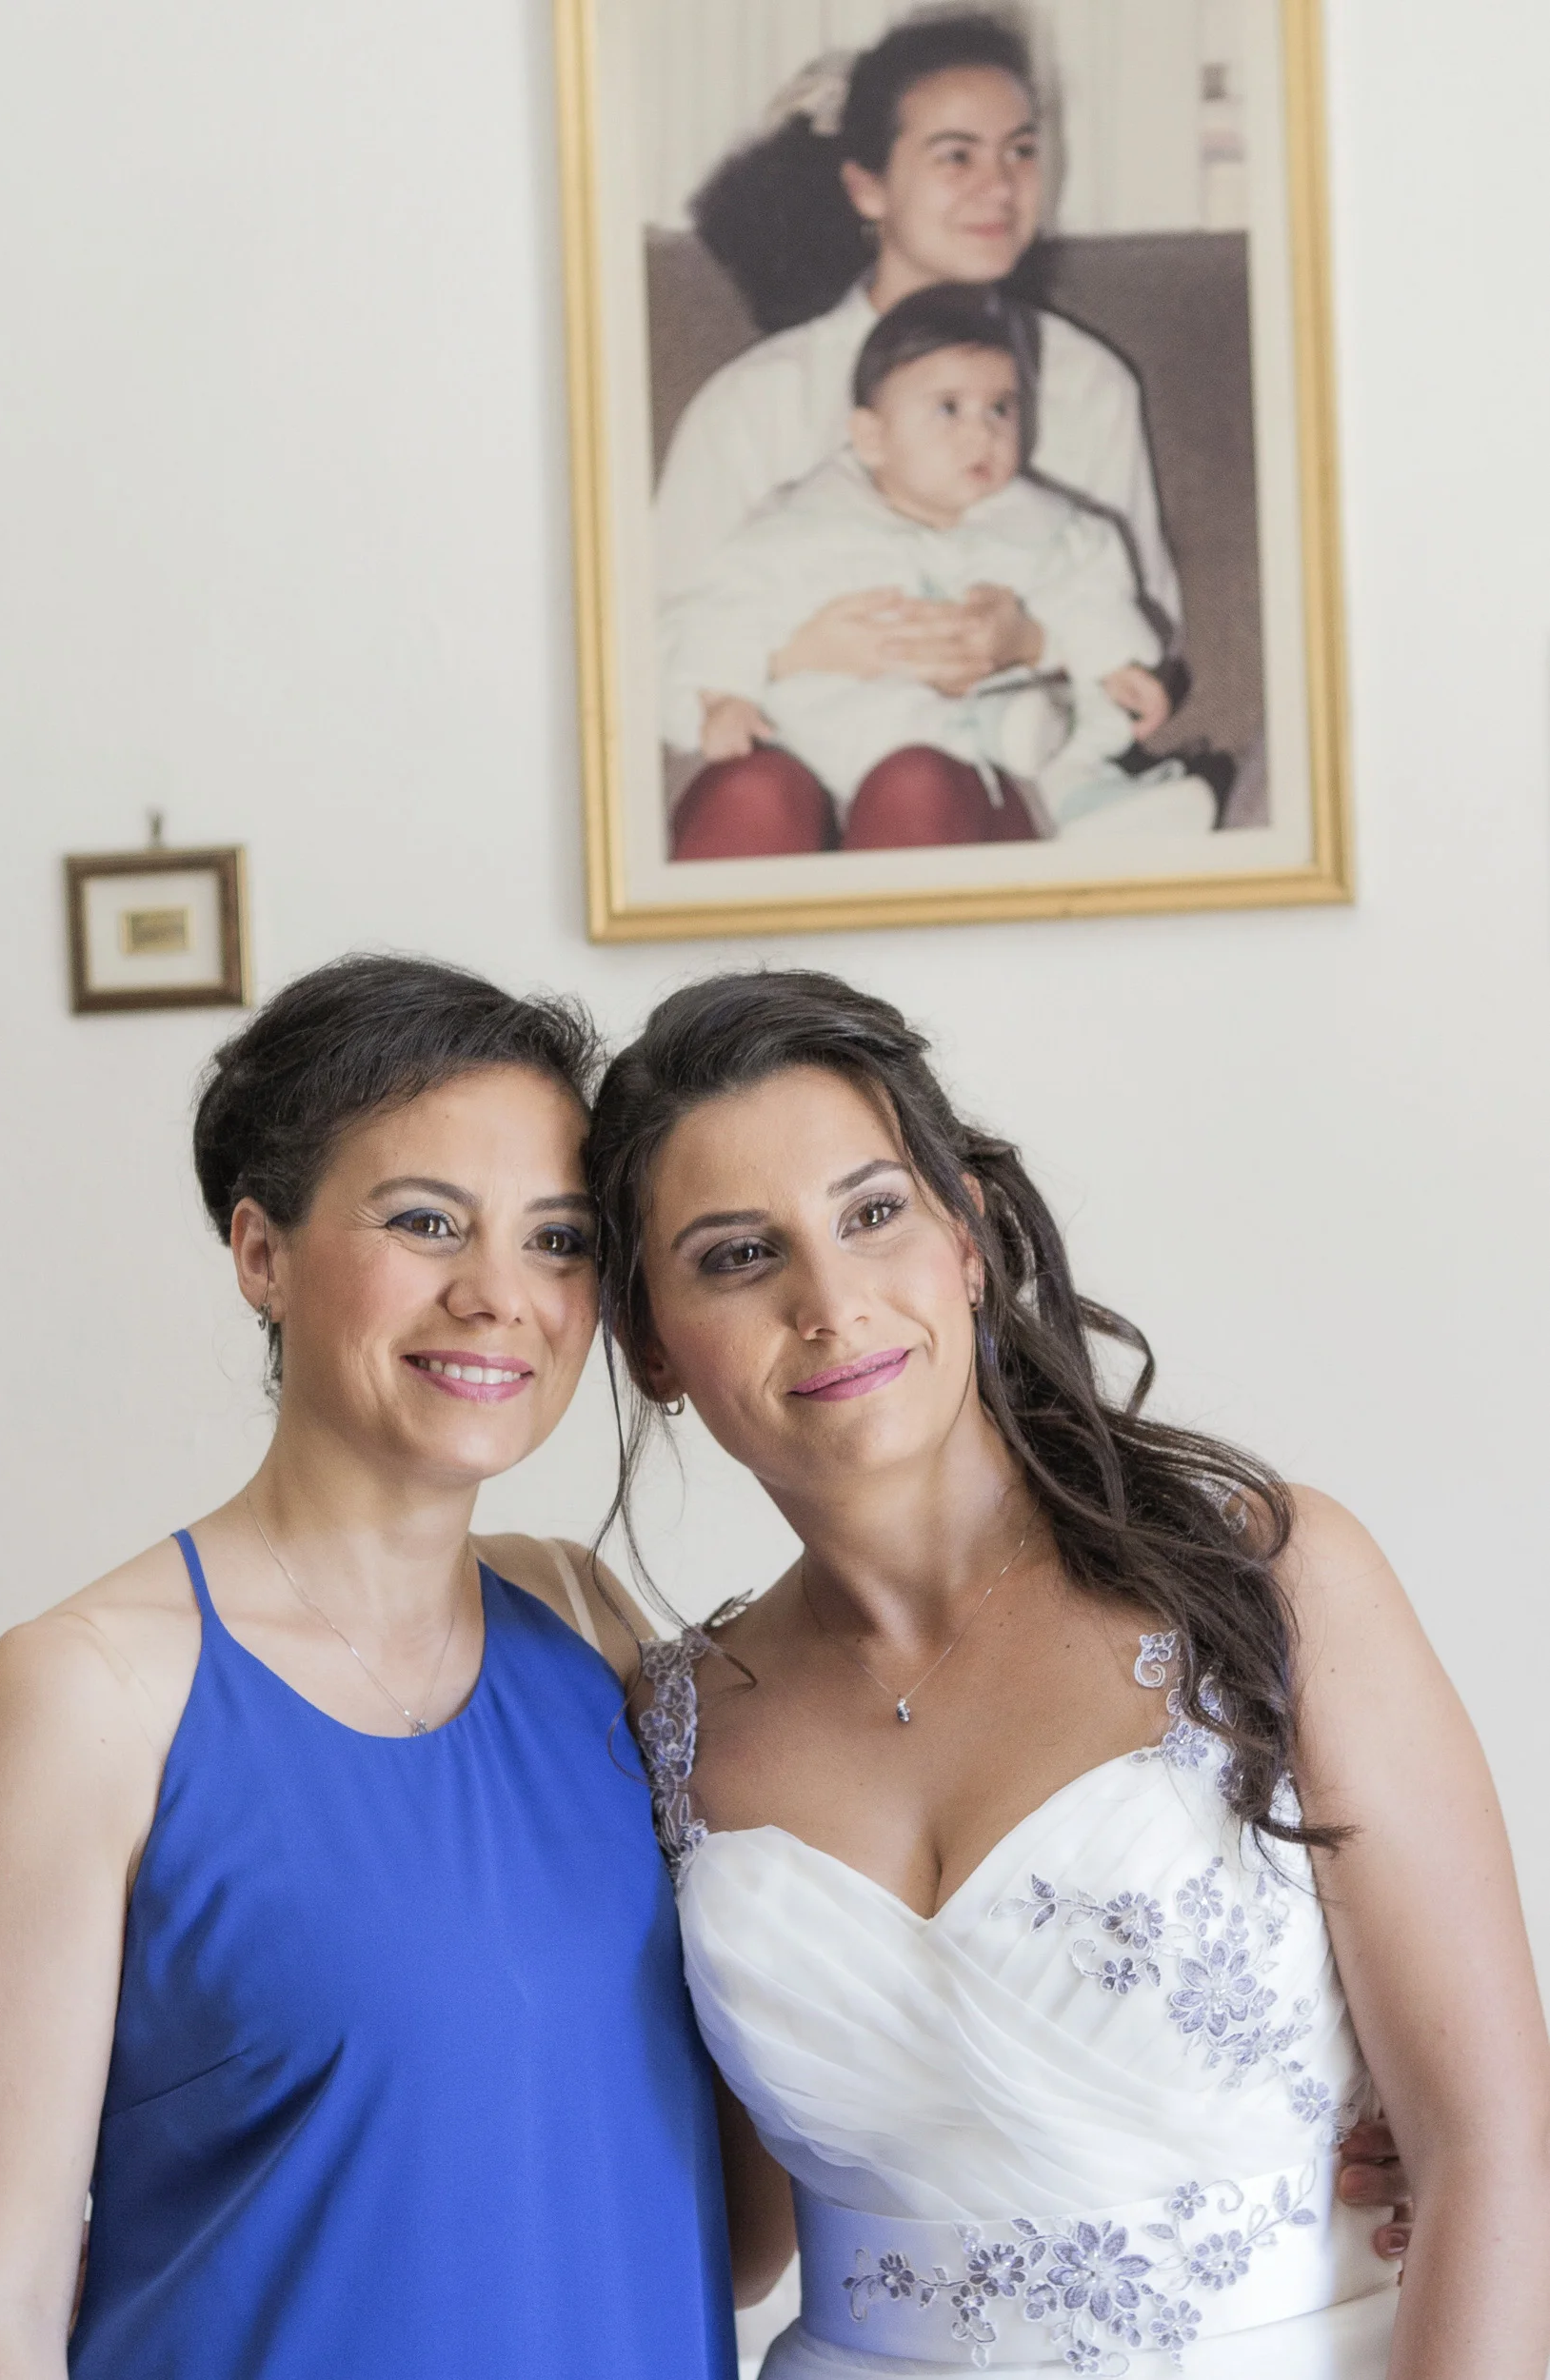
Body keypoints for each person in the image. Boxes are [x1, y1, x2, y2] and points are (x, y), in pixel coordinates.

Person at [586, 968, 1550, 2378]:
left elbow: (1493, 2149)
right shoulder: (667, 1730)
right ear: (651, 1346)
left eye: (872, 1214)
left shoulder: (1270, 1584)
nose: (830, 1301)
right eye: (738, 1255)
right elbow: (723, 2242)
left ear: (968, 1237)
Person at [0, 956, 737, 2380]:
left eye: (557, 1239)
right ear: (261, 1254)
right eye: (424, 1222)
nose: (499, 1295)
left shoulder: (585, 1621)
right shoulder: (84, 1698)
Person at [657, 12, 1183, 860]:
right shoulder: (757, 400)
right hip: (788, 753)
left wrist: (1030, 641)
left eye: (1020, 151)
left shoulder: (1087, 386)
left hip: (991, 771)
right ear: (867, 188)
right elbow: (646, 654)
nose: (999, 186)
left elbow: (1144, 628)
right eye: (955, 156)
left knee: (917, 783)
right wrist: (795, 654)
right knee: (754, 794)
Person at [664, 285, 1211, 860]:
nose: (983, 433)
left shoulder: (1037, 524)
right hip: (822, 734)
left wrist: (1111, 661)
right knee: (769, 788)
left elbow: (1087, 588)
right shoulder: (804, 526)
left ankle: (1094, 804)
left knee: (1040, 743)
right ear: (872, 437)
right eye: (948, 409)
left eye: (1001, 409)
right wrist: (724, 696)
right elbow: (730, 605)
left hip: (978, 761)